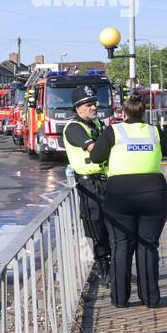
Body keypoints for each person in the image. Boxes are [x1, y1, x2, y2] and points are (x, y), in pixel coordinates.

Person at [88, 91, 167, 308]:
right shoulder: (153, 131)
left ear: (124, 113)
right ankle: (151, 299)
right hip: (154, 194)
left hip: (120, 195)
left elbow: (96, 157)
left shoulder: (113, 131)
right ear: (143, 112)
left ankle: (120, 299)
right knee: (148, 246)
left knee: (121, 245)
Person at [61, 85, 112, 277]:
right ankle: (103, 269)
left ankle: (113, 268)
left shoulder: (96, 124)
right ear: (78, 108)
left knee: (109, 226)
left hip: (104, 181)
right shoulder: (74, 128)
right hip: (89, 184)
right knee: (96, 226)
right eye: (88, 104)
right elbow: (95, 150)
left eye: (94, 103)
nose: (93, 107)